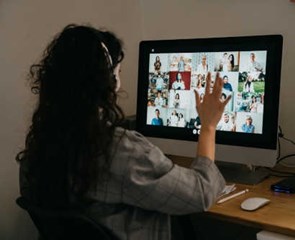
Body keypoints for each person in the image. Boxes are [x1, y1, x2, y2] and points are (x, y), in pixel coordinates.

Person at [16, 24, 230, 240]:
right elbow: (201, 193)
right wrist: (209, 126)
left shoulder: (37, 149)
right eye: (118, 72)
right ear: (108, 81)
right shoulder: (119, 149)